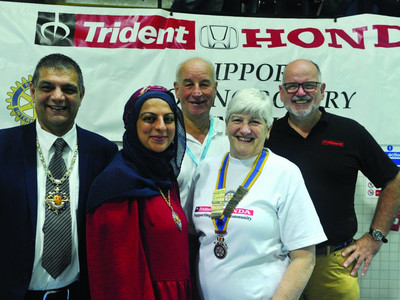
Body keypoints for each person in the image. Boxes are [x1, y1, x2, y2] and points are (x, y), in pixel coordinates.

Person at [266, 58, 400, 299]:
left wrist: (375, 237)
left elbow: (394, 181)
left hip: (332, 265)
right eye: (292, 87)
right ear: (282, 93)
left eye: (309, 85)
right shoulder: (268, 135)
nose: (300, 93)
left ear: (322, 90)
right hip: (277, 265)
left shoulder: (349, 132)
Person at [187, 88, 327, 299]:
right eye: (237, 120)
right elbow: (193, 236)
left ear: (268, 129)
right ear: (226, 126)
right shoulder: (205, 170)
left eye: (255, 122)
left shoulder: (285, 173)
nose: (245, 129)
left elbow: (304, 258)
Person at [0, 53, 118, 299]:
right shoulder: (3, 147)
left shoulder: (103, 153)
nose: (57, 96)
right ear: (32, 92)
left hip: (78, 294)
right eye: (47, 87)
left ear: (81, 95)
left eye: (68, 89)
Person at [86, 85, 193, 300]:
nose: (161, 127)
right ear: (132, 123)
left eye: (169, 119)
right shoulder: (117, 183)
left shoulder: (164, 177)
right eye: (149, 118)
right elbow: (118, 277)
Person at [174, 57, 229, 212]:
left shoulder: (230, 136)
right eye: (189, 85)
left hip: (220, 231)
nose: (197, 93)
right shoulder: (165, 137)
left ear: (215, 88)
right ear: (177, 90)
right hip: (177, 232)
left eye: (204, 84)